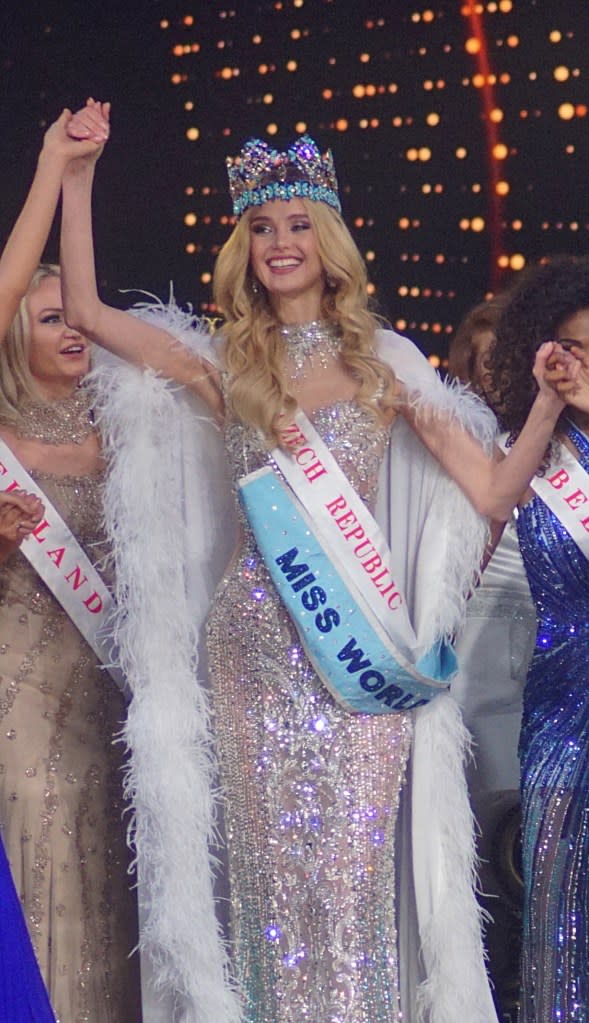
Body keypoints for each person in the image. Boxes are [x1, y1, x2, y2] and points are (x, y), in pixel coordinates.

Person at [59, 102, 577, 1023]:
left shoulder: (384, 363)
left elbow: (494, 494)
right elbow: (91, 312)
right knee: (270, 896)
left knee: (347, 885)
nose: (279, 243)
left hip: (355, 660)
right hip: (253, 652)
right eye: (260, 228)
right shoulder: (226, 362)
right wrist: (76, 170)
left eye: (298, 225)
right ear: (242, 247)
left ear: (329, 241)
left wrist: (541, 402)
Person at [0, 111, 142, 1021]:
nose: (70, 330)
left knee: (116, 880)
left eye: (74, 316)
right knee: (43, 858)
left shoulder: (133, 436)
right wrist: (53, 168)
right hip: (21, 702)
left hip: (116, 700)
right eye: (46, 317)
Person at [486, 255, 589, 1023]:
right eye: (570, 346)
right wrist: (547, 414)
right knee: (557, 906)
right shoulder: (526, 456)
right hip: (558, 710)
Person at [448, 297, 536, 1018]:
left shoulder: (562, 440)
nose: (494, 376)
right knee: (478, 829)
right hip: (467, 642)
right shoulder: (456, 437)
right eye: (481, 363)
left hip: (547, 644)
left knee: (523, 841)